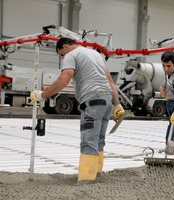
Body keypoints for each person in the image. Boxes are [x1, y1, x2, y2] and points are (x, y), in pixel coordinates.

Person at [29, 37, 124, 183]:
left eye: (61, 54)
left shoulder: (71, 55)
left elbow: (63, 80)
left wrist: (41, 95)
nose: (63, 58)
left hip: (92, 101)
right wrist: (117, 105)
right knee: (99, 140)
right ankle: (96, 174)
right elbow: (110, 81)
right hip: (107, 101)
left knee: (88, 140)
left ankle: (86, 178)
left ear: (65, 47)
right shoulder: (97, 55)